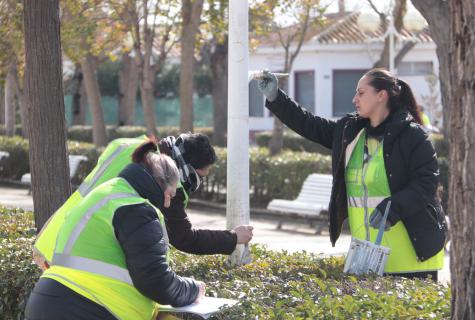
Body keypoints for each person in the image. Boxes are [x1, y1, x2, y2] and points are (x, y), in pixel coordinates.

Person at [257, 68, 447, 280]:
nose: (354, 98)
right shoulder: (351, 131)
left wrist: (393, 208)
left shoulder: (413, 135)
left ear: (381, 95)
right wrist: (276, 98)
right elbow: (310, 125)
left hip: (411, 258)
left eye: (361, 93)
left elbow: (427, 184)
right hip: (368, 258)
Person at [25, 141, 205, 319]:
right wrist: (193, 289)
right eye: (170, 195)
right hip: (87, 308)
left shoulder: (106, 193)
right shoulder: (136, 209)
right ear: (160, 184)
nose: (167, 203)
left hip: (48, 300)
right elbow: (155, 280)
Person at [33, 133, 253, 270]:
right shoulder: (164, 180)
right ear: (186, 169)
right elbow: (184, 238)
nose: (195, 186)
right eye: (198, 178)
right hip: (83, 260)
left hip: (57, 236)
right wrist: (233, 238)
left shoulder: (133, 147)